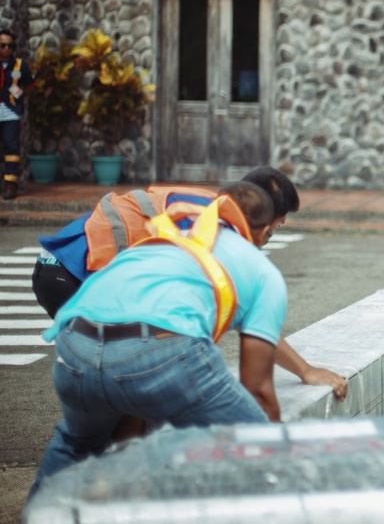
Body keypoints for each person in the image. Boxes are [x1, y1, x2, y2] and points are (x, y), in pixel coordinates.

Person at [28, 182, 301, 496]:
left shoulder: (170, 232)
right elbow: (258, 388)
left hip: (75, 341)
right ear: (265, 229)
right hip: (157, 348)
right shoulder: (261, 270)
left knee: (77, 442)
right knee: (250, 444)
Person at [30, 167, 348, 395]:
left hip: (56, 268)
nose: (267, 239)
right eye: (274, 228)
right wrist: (306, 371)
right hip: (70, 276)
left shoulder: (207, 205)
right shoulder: (217, 231)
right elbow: (253, 322)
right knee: (132, 380)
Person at [0, 29, 35, 200]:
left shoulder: (20, 65)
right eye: (3, 45)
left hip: (10, 113)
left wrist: (18, 93)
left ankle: (11, 186)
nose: (6, 49)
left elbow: (30, 83)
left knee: (11, 148)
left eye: (10, 46)